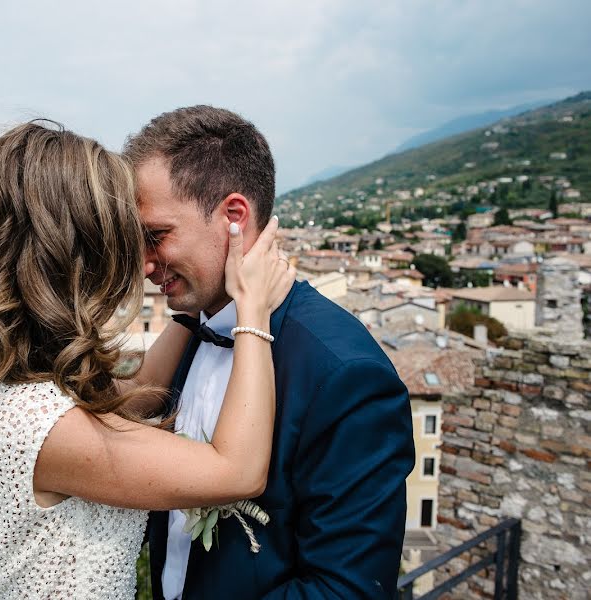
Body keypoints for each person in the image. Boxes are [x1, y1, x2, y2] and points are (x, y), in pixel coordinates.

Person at [0, 120, 295, 599]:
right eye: (124, 233)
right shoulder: (42, 428)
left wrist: (203, 295)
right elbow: (236, 472)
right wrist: (252, 310)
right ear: (76, 250)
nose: (142, 257)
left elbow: (132, 399)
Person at [124, 105, 416, 599]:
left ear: (234, 218)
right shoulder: (187, 335)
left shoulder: (346, 373)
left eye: (156, 236)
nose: (146, 264)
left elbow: (345, 590)